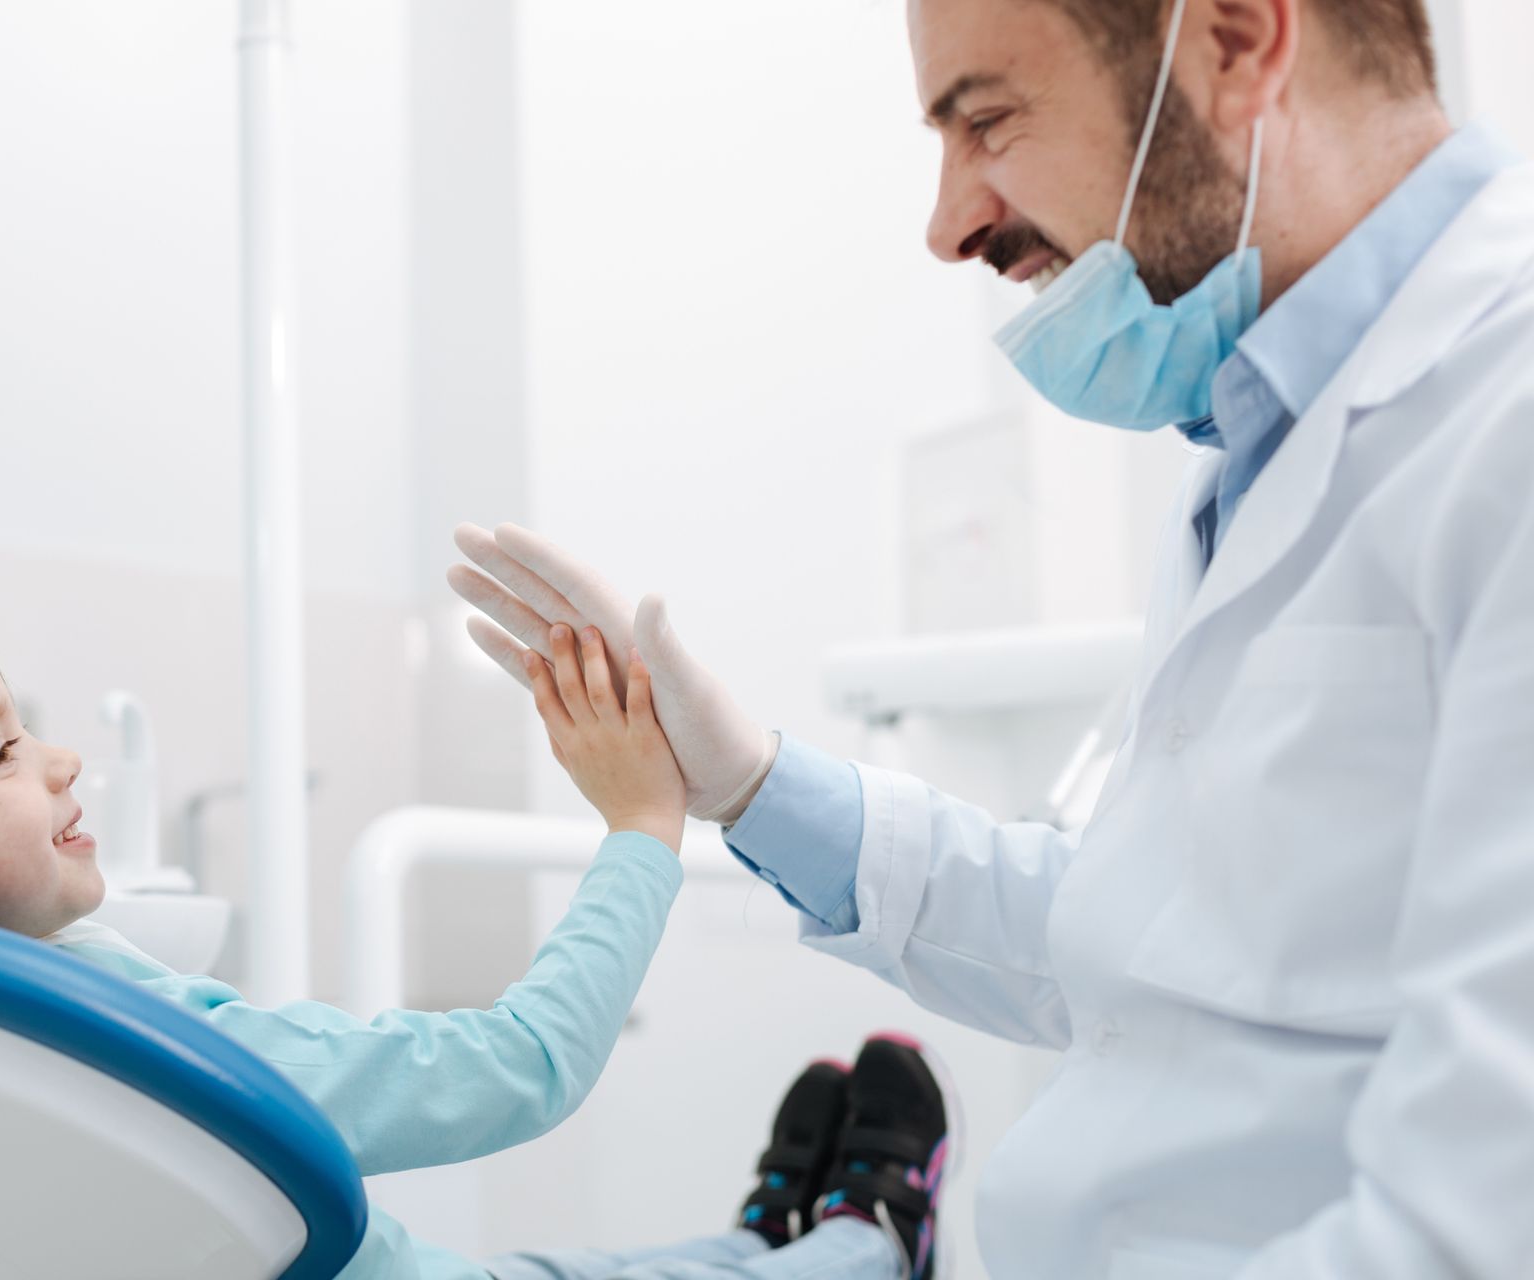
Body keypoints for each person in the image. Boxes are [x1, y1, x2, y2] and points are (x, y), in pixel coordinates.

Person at [449, 0, 1534, 1276]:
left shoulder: (1497, 418)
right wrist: (747, 783)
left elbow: (1479, 1220)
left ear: (1237, 45)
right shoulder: (1261, 443)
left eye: (988, 120)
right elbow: (1142, 929)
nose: (948, 221)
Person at [0, 600, 952, 1279]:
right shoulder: (99, 1043)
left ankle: (763, 1228)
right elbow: (525, 1061)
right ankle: (870, 1239)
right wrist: (638, 826)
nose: (61, 760)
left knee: (600, 1263)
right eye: (4, 749)